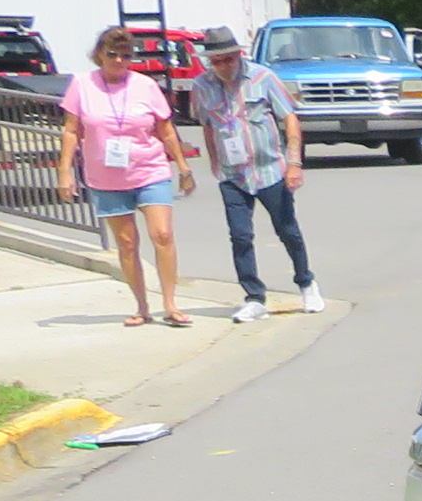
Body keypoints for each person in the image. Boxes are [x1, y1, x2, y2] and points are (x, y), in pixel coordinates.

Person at [58, 26, 195, 326]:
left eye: (126, 56)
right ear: (99, 55)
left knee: (162, 234)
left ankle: (170, 303)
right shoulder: (81, 85)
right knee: (127, 243)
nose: (119, 61)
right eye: (112, 55)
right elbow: (71, 131)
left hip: (150, 168)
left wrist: (183, 168)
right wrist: (64, 171)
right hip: (106, 176)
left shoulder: (145, 86)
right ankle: (141, 305)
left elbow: (166, 130)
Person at [188, 26, 321, 322]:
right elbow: (207, 124)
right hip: (232, 175)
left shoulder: (263, 77)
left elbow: (290, 118)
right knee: (240, 236)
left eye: (228, 59)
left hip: (270, 169)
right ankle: (254, 297)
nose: (223, 66)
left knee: (287, 230)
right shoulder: (202, 85)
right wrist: (214, 161)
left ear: (238, 55)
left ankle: (306, 282)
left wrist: (294, 162)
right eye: (216, 61)